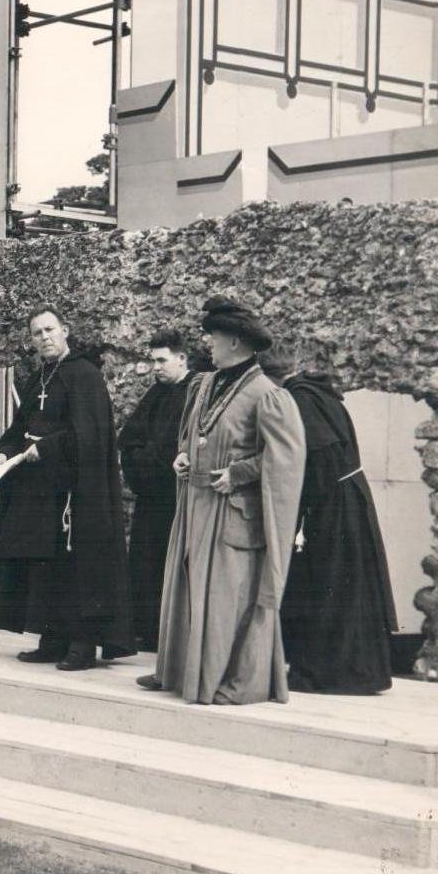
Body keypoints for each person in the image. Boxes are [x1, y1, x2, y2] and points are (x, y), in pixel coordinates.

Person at [143, 297, 306, 705]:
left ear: (235, 342)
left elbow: (285, 459)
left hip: (231, 513)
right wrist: (183, 455)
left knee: (225, 599)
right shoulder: (204, 384)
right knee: (189, 590)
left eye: (213, 337)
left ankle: (228, 680)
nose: (207, 343)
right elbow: (193, 434)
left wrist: (238, 474)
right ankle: (184, 673)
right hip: (194, 507)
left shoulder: (267, 394)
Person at [0, 311, 133, 670]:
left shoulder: (84, 375)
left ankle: (81, 645)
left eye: (49, 330)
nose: (43, 337)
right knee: (46, 568)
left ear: (65, 331)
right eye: (36, 333)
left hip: (76, 493)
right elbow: (20, 426)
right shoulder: (40, 378)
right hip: (42, 493)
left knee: (76, 569)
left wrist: (48, 447)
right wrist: (4, 451)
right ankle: (51, 639)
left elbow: (90, 434)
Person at [261, 344, 396, 695]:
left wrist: (299, 504)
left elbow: (319, 458)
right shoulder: (317, 392)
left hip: (332, 505)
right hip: (345, 497)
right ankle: (354, 669)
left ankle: (333, 672)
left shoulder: (301, 401)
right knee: (345, 585)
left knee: (331, 584)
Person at [118, 331, 194, 651]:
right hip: (150, 496)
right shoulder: (156, 393)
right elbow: (129, 439)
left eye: (162, 360)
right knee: (146, 564)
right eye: (153, 361)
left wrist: (154, 460)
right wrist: (143, 464)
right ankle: (147, 632)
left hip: (177, 498)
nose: (156, 368)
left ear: (182, 359)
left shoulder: (195, 393)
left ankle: (168, 636)